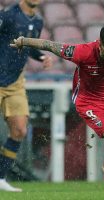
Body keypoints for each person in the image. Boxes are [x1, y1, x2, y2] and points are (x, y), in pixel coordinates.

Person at [11, 24, 104, 200]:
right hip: (91, 104)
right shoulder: (83, 52)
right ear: (100, 46)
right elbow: (49, 45)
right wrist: (24, 41)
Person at [0, 0, 52, 192]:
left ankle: (0, 178)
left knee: (20, 130)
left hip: (15, 82)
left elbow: (27, 46)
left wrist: (42, 57)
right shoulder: (7, 15)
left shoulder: (37, 21)